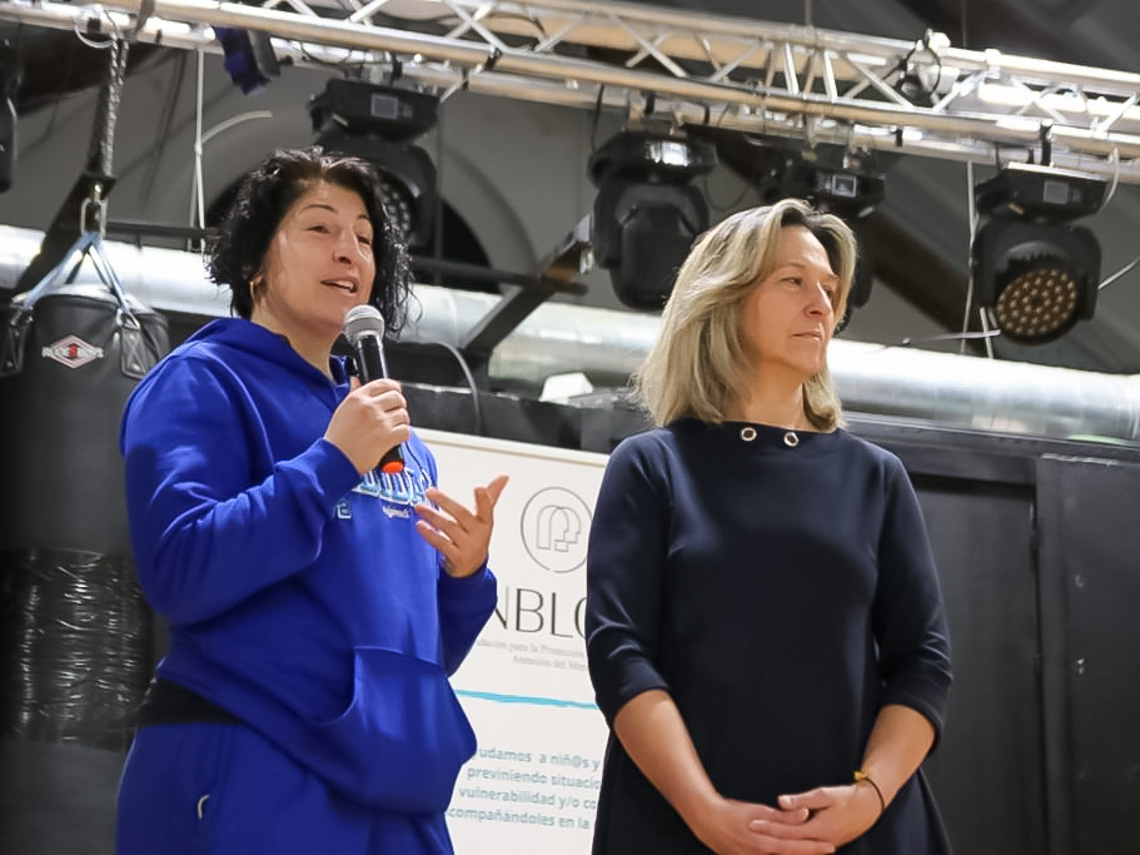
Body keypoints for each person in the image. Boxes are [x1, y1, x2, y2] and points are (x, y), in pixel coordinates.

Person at [115, 147, 508, 854]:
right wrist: (329, 463)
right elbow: (180, 568)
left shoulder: (396, 438)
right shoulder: (203, 381)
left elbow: (411, 655)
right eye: (320, 227)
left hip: (396, 787)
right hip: (251, 755)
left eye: (365, 237)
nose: (349, 251)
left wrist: (464, 575)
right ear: (254, 262)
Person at [585, 199, 953, 855]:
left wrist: (869, 798)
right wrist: (704, 810)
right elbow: (620, 654)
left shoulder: (876, 477)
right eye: (794, 281)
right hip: (680, 829)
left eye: (830, 289)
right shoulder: (651, 467)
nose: (822, 305)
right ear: (723, 298)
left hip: (860, 834)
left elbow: (923, 663)